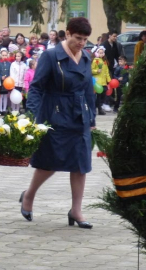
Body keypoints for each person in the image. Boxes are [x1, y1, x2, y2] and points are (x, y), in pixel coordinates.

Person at [20, 17, 96, 228]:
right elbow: (36, 87)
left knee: (81, 164)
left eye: (85, 40)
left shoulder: (86, 57)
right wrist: (31, 116)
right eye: (78, 38)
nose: (81, 43)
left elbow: (88, 90)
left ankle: (76, 210)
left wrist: (91, 117)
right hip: (54, 114)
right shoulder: (51, 56)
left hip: (79, 115)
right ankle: (29, 195)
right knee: (49, 162)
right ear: (68, 33)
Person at [92, 46, 111, 114]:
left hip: (103, 82)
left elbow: (106, 71)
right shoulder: (95, 61)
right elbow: (91, 70)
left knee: (104, 94)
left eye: (102, 53)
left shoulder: (104, 61)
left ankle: (100, 106)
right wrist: (97, 71)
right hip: (98, 81)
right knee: (98, 96)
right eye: (100, 53)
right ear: (97, 53)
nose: (101, 54)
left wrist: (109, 80)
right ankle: (99, 109)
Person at [0, 48, 11, 114]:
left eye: (5, 55)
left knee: (5, 95)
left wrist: (8, 77)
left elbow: (10, 72)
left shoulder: (9, 64)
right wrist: (0, 77)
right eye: (3, 55)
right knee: (1, 96)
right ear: (1, 55)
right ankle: (0, 109)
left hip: (7, 82)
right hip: (1, 82)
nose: (4, 56)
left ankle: (4, 109)